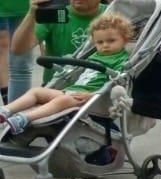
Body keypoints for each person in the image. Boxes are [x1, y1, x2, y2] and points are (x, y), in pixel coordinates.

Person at [0, 10, 135, 134]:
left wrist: (92, 95)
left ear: (125, 39)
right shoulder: (93, 56)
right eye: (100, 42)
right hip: (71, 92)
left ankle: (24, 118)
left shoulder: (122, 60)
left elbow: (116, 83)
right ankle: (7, 110)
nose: (105, 45)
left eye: (111, 41)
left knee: (62, 100)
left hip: (91, 99)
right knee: (36, 91)